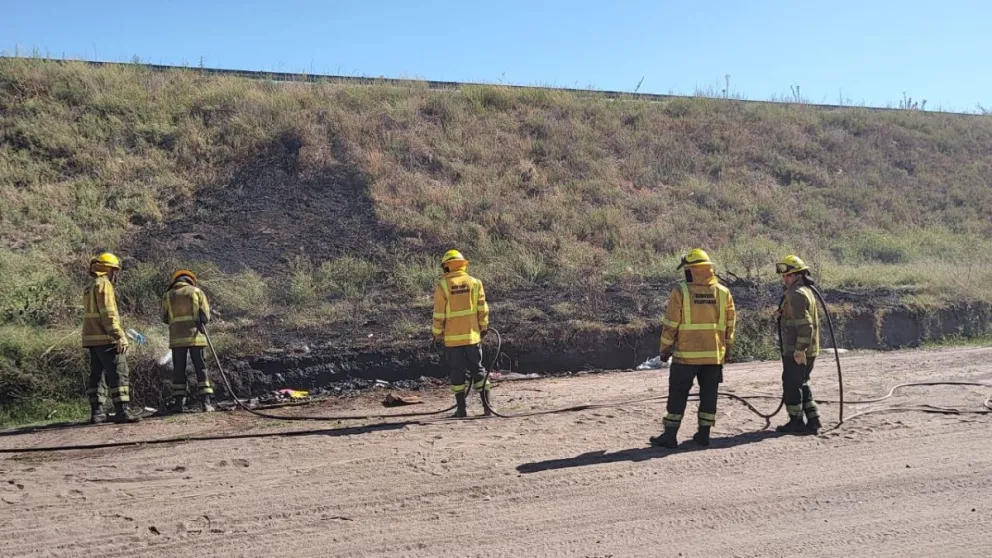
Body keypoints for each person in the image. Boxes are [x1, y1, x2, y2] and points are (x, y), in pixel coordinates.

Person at [650, 249, 736, 448]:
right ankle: (704, 435)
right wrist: (727, 349)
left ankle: (670, 436)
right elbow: (730, 325)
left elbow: (671, 324)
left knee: (678, 394)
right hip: (714, 356)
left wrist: (665, 349)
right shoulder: (723, 293)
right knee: (709, 395)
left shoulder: (681, 291)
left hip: (686, 357)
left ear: (691, 270)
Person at [431, 249, 491, 418]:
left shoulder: (443, 285)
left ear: (447, 267)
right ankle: (487, 407)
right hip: (472, 337)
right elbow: (482, 308)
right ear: (463, 265)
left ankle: (461, 410)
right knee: (478, 370)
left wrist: (437, 335)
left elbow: (439, 314)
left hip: (452, 340)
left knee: (457, 372)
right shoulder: (475, 282)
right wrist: (483, 326)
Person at [82, 252, 139, 424]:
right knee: (119, 373)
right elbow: (109, 314)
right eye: (115, 270)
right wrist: (119, 336)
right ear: (109, 270)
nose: (116, 274)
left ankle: (97, 413)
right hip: (107, 338)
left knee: (97, 375)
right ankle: (122, 411)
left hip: (92, 339)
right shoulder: (104, 284)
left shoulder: (90, 285)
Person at [775, 255, 822, 434]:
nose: (785, 279)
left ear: (798, 276)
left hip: (798, 350)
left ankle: (796, 421)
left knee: (791, 384)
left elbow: (805, 325)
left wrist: (799, 350)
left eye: (789, 276)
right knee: (802, 382)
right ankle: (813, 419)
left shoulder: (795, 294)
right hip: (809, 349)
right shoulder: (805, 291)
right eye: (784, 276)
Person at [162, 269, 215, 413]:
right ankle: (206, 403)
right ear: (190, 280)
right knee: (201, 369)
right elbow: (205, 316)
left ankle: (179, 404)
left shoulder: (168, 295)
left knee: (179, 371)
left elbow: (165, 318)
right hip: (196, 338)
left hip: (177, 340)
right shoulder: (197, 292)